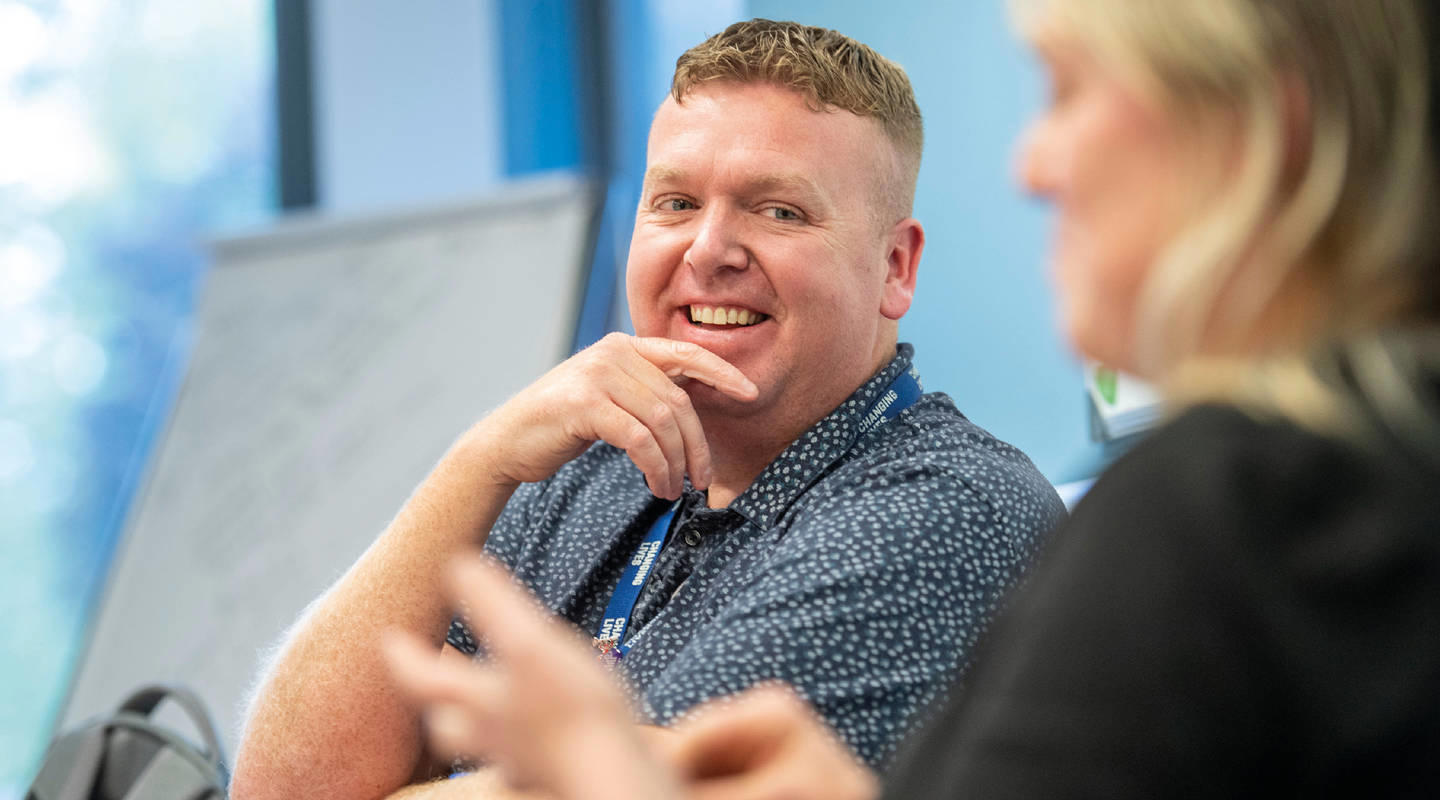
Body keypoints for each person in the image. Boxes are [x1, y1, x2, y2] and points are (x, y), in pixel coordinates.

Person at [383, 0, 1440, 797]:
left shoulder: (1229, 501)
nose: (1033, 166)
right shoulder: (1359, 469)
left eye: (1068, 94)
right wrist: (477, 460)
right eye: (673, 202)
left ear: (1258, 134)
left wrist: (611, 781)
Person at [231, 19, 1064, 800]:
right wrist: (479, 461)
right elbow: (284, 785)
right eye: (675, 204)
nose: (709, 250)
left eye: (779, 210)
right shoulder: (580, 474)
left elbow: (631, 789)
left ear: (894, 268)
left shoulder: (946, 508)